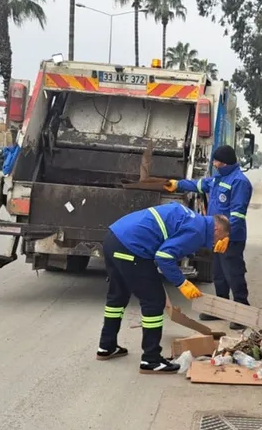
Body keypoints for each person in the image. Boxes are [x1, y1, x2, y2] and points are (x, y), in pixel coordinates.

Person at [97, 202, 231, 374]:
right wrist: (182, 283)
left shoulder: (194, 220)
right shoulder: (197, 232)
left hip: (114, 237)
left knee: (118, 295)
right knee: (154, 301)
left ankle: (106, 347)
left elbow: (174, 242)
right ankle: (151, 360)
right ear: (216, 229)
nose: (217, 243)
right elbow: (164, 257)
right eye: (220, 239)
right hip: (132, 247)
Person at [164, 145, 253, 329]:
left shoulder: (239, 182)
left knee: (233, 274)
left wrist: (228, 236)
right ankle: (221, 309)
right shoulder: (218, 178)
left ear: (225, 163)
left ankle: (242, 313)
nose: (214, 164)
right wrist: (178, 184)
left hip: (231, 238)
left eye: (217, 161)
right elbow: (198, 185)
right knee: (219, 275)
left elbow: (238, 215)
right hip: (216, 236)